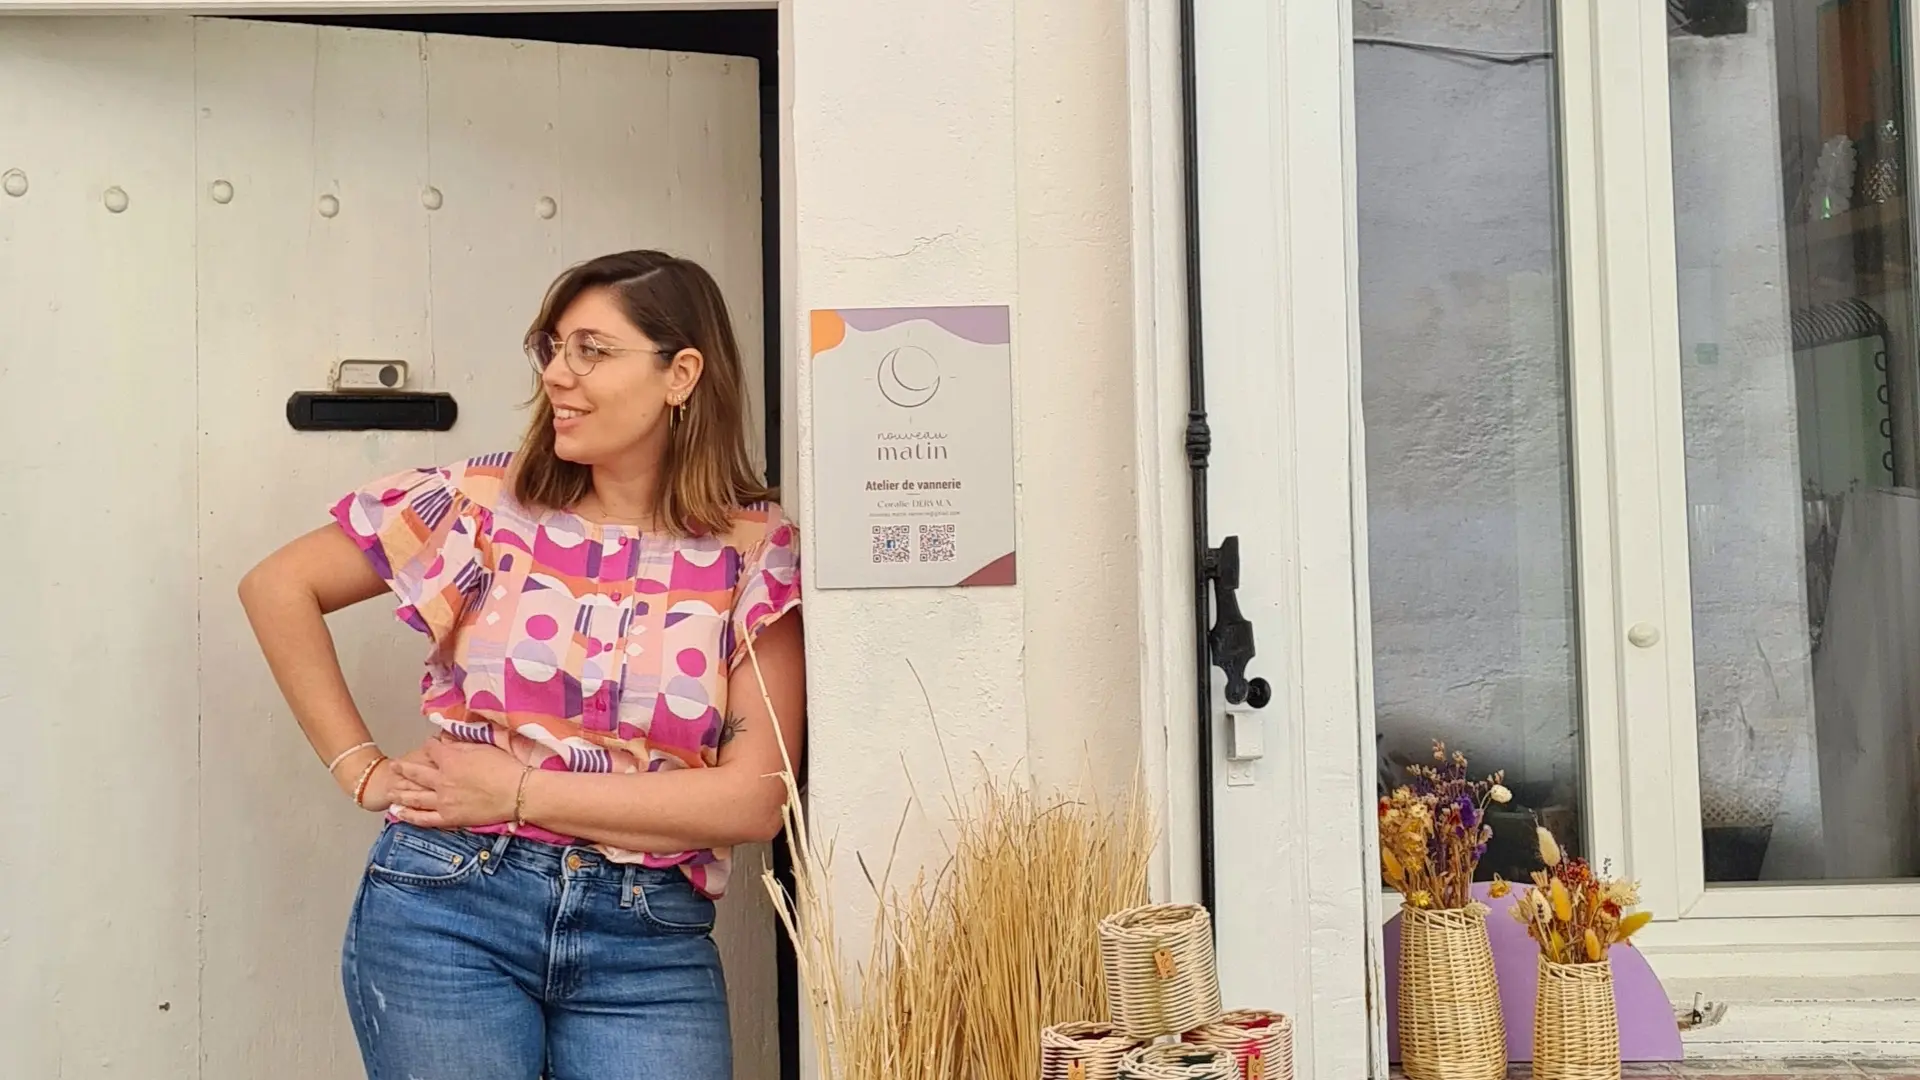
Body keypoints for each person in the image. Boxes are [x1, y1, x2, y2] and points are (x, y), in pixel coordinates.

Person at [239, 250, 803, 1080]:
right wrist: (361, 769)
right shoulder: (481, 506)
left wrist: (519, 792)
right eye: (552, 347)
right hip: (449, 907)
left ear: (681, 374)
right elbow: (278, 586)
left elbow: (753, 799)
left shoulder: (752, 550)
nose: (557, 375)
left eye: (592, 350)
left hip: (647, 941)